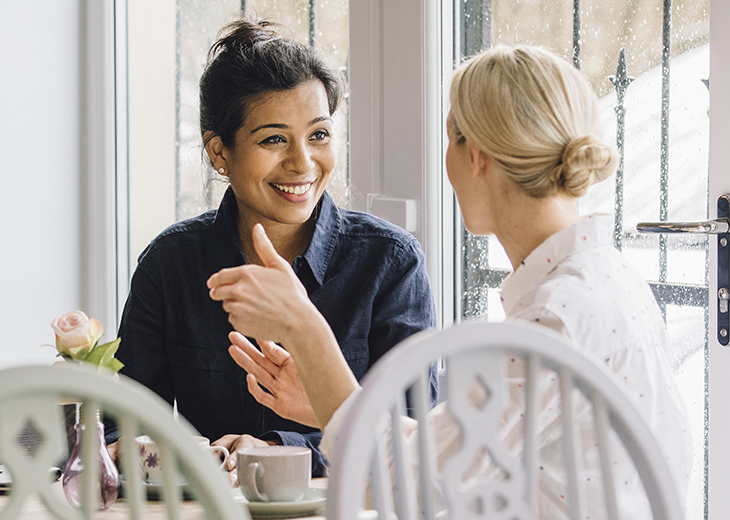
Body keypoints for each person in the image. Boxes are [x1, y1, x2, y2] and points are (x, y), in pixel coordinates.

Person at [210, 45, 692, 517]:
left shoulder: (555, 319)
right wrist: (323, 402)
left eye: (449, 139)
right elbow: (455, 456)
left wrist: (304, 327)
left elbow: (404, 488)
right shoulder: (601, 282)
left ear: (475, 155)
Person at [112, 18, 437, 480]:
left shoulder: (390, 263)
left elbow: (417, 438)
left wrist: (272, 450)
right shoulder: (171, 264)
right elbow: (122, 427)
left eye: (319, 135)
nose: (302, 163)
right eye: (274, 139)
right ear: (219, 153)